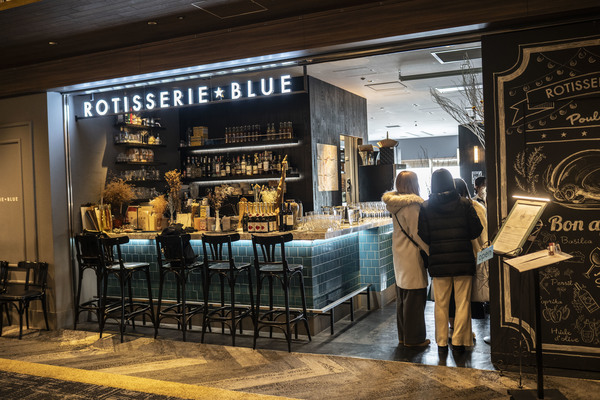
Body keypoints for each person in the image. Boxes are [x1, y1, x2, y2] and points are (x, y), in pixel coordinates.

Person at [418, 169, 483, 352]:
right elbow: (476, 230)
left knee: (441, 303)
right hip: (463, 260)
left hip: (438, 262)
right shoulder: (464, 204)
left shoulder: (426, 207)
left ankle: (441, 342)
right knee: (463, 302)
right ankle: (459, 341)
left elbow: (423, 234)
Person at [382, 171, 430, 347]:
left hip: (400, 254)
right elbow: (417, 234)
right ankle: (414, 339)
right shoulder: (411, 206)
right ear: (413, 184)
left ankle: (403, 336)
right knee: (415, 298)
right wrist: (430, 250)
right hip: (412, 255)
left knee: (403, 296)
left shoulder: (394, 205)